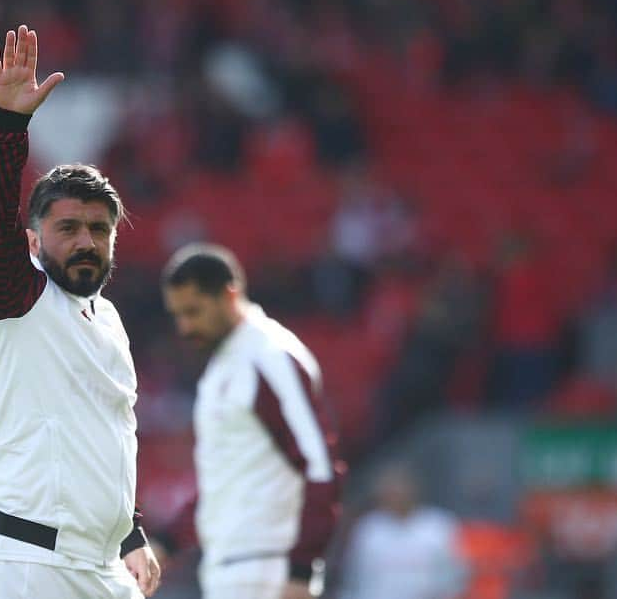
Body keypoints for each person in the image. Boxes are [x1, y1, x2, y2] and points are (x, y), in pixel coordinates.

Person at [0, 25, 160, 599]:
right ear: (32, 240)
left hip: (100, 567)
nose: (86, 241)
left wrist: (130, 534)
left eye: (99, 229)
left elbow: (107, 435)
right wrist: (8, 126)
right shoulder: (14, 297)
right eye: (67, 228)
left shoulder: (110, 321)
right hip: (26, 562)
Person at [158, 243, 346, 599]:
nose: (184, 326)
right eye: (178, 314)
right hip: (230, 568)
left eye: (194, 311)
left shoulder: (269, 356)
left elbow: (319, 466)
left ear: (229, 296)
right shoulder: (222, 367)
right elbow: (226, 477)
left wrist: (302, 570)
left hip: (268, 568)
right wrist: (165, 543)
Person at [339, 463, 467, 599]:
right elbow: (353, 577)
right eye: (388, 490)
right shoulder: (368, 528)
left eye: (398, 489)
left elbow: (456, 575)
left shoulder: (439, 526)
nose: (394, 495)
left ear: (412, 489)